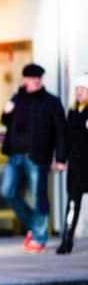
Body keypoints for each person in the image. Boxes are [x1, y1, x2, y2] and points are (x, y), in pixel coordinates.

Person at [0, 63, 66, 253]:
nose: (36, 81)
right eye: (32, 78)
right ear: (25, 80)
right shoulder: (17, 98)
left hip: (37, 156)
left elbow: (60, 132)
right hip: (15, 155)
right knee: (7, 191)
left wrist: (60, 158)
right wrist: (5, 112)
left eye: (39, 78)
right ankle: (33, 225)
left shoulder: (51, 102)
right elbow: (7, 122)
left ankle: (38, 237)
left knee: (39, 198)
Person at [58, 74, 88, 254]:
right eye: (77, 89)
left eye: (83, 89)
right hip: (76, 167)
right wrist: (61, 159)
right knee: (72, 204)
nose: (79, 92)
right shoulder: (72, 113)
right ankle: (66, 240)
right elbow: (65, 139)